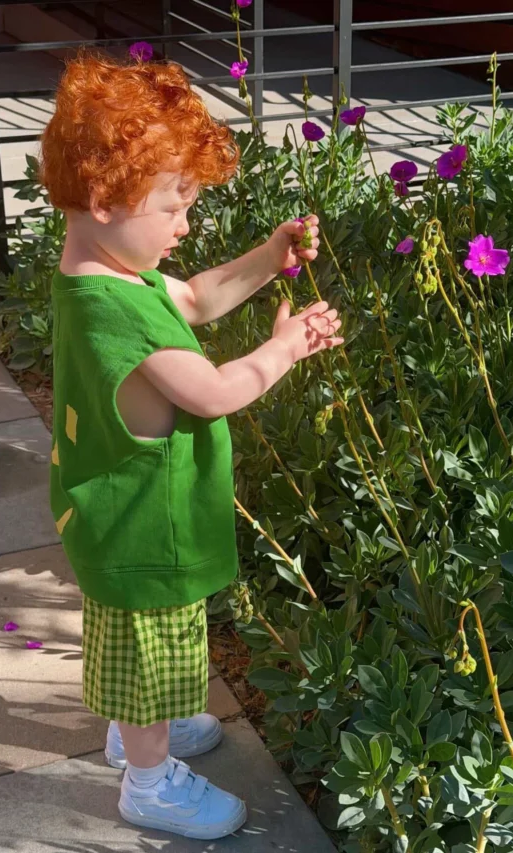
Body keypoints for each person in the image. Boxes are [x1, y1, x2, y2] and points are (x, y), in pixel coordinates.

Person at [40, 49, 343, 840]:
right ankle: (149, 779)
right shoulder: (121, 312)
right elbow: (212, 391)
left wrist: (269, 259)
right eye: (175, 205)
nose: (186, 224)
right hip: (146, 528)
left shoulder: (102, 274)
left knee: (141, 652)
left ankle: (137, 730)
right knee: (151, 652)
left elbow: (200, 297)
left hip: (117, 513)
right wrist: (283, 349)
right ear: (107, 197)